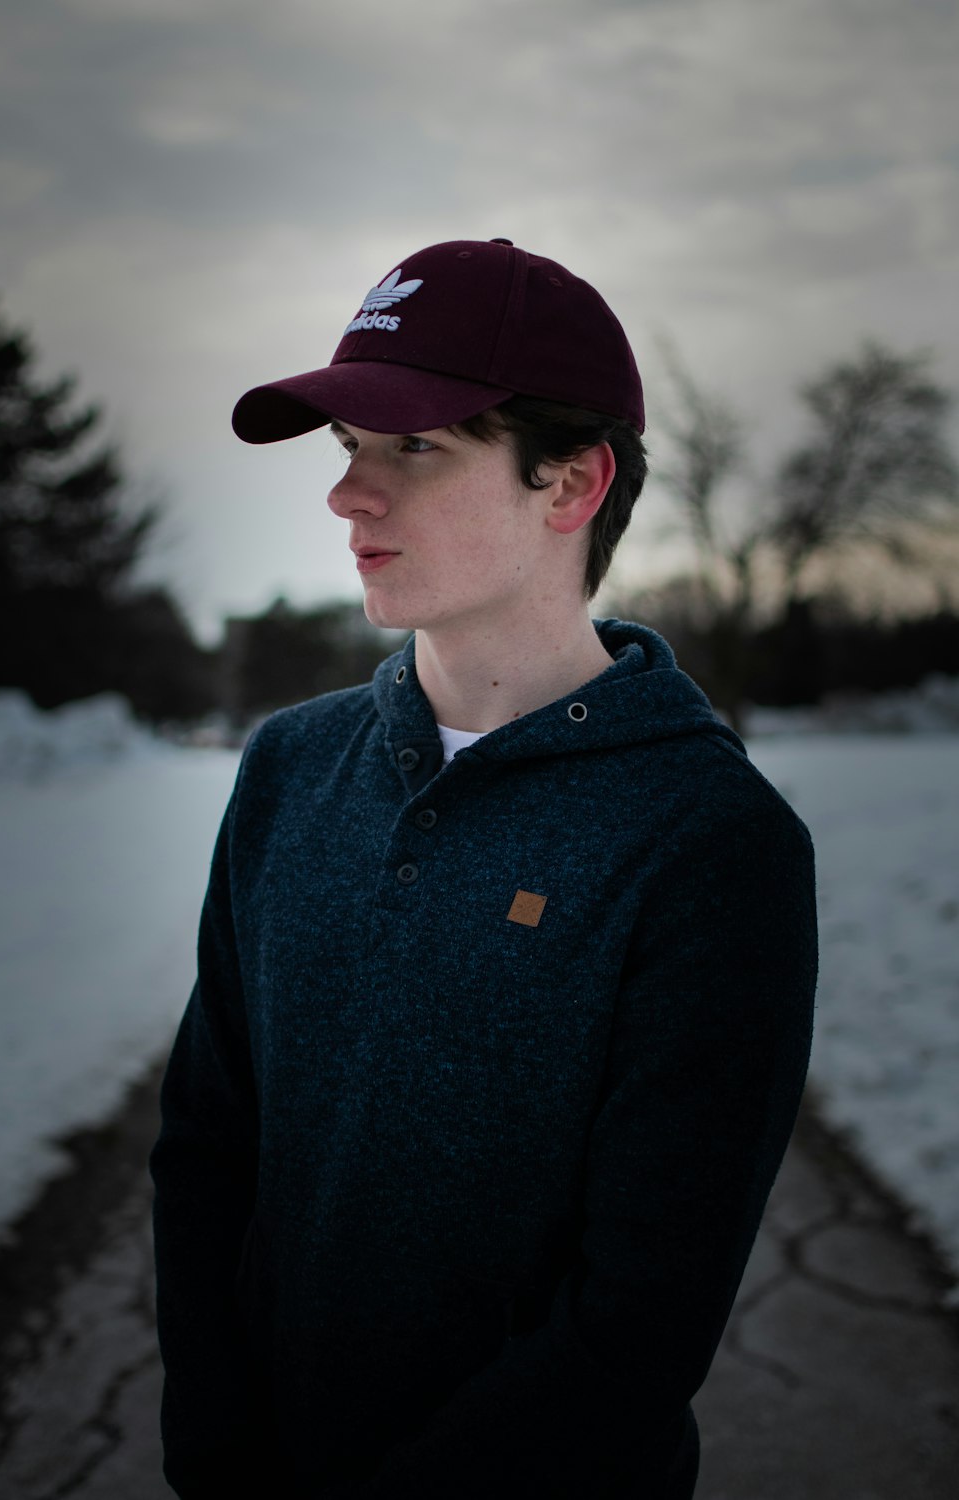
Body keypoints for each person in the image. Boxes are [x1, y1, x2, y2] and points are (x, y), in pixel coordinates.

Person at [150, 237, 818, 1499]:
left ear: (568, 485)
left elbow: (642, 1317)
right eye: (348, 446)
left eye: (414, 448)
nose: (349, 494)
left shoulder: (709, 841)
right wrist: (214, 1443)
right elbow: (205, 1148)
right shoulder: (290, 769)